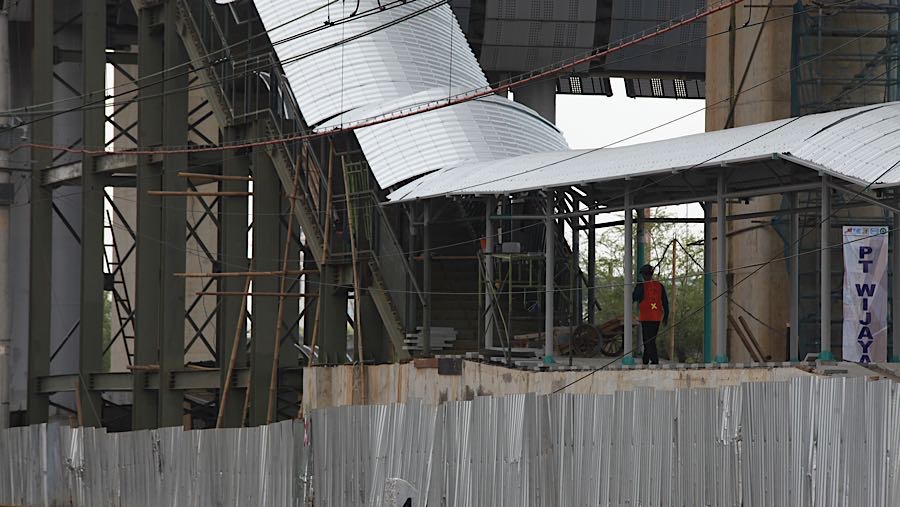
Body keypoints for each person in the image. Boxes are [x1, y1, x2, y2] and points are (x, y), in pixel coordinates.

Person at [632, 264, 669, 364]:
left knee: (648, 340)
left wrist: (636, 287)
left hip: (646, 316)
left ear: (644, 275)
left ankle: (654, 360)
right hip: (657, 316)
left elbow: (634, 297)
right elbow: (665, 302)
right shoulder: (659, 286)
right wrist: (666, 316)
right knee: (651, 338)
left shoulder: (641, 286)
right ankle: (645, 359)